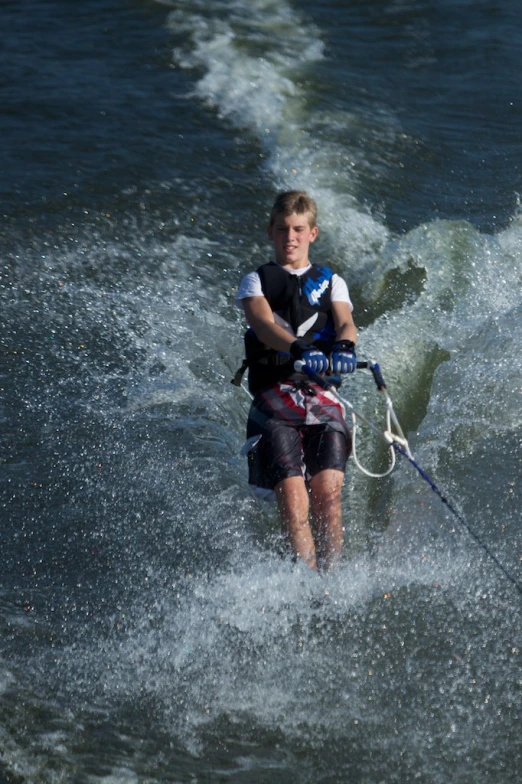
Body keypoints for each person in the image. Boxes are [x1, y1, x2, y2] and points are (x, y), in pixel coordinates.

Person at [235, 190, 358, 571]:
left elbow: (346, 323)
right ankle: (306, 582)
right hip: (274, 395)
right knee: (293, 496)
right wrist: (298, 350)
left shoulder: (331, 282)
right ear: (270, 232)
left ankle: (332, 577)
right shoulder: (255, 282)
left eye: (299, 229)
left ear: (312, 234)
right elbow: (263, 325)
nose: (291, 236)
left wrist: (346, 347)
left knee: (327, 493)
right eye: (283, 229)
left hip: (321, 394)